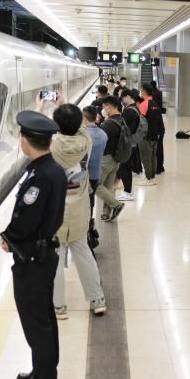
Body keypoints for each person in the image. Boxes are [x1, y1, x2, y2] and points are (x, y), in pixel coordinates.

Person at [0, 110, 67, 379]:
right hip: (43, 254)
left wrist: (8, 237)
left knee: (37, 325)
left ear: (25, 141)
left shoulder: (41, 176)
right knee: (44, 321)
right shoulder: (51, 169)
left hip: (33, 260)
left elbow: (27, 219)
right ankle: (43, 372)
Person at [43, 103, 107, 320]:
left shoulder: (51, 146)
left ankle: (59, 307)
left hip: (55, 211)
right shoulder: (86, 142)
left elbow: (39, 133)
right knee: (84, 255)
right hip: (80, 209)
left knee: (55, 259)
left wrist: (45, 109)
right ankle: (97, 300)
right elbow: (81, 128)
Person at [96, 97, 127, 222]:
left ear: (108, 106)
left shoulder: (108, 124)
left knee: (95, 185)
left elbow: (99, 140)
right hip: (115, 159)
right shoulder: (121, 119)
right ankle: (106, 213)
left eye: (104, 107)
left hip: (106, 159)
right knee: (108, 186)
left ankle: (117, 205)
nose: (103, 110)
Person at [117, 89, 142, 200]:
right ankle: (128, 191)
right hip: (132, 143)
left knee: (123, 168)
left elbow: (124, 129)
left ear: (127, 97)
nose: (122, 100)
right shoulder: (135, 108)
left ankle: (127, 192)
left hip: (126, 144)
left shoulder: (128, 111)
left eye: (123, 98)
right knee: (127, 168)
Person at [137, 83, 163, 186]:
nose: (140, 92)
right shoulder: (155, 104)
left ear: (144, 91)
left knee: (145, 157)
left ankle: (148, 178)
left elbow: (141, 121)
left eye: (141, 90)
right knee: (153, 157)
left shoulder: (144, 104)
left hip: (146, 136)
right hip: (154, 135)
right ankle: (152, 177)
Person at [82, 106, 106, 215]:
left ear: (84, 119)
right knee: (91, 199)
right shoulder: (103, 134)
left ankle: (86, 221)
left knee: (83, 201)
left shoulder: (83, 135)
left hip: (84, 175)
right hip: (96, 173)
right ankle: (90, 220)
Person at [150, 80, 166, 173]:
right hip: (159, 120)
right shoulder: (160, 92)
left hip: (154, 124)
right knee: (160, 146)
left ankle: (156, 167)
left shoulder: (151, 100)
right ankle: (160, 166)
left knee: (154, 147)